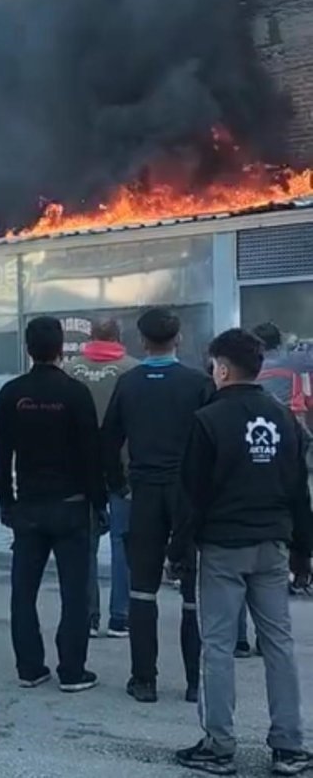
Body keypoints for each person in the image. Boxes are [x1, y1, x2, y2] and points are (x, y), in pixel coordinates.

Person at [171, 329, 313, 777]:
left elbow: (191, 495)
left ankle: (219, 744)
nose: (212, 372)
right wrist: (304, 553)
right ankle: (289, 747)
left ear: (225, 368)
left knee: (216, 646)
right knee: (279, 645)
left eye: (214, 365)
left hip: (223, 547)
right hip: (272, 545)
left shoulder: (207, 421)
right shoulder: (284, 419)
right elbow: (298, 491)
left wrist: (178, 551)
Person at [103, 307, 214, 704]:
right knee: (192, 592)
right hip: (187, 494)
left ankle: (144, 680)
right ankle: (195, 682)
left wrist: (118, 485)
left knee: (142, 590)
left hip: (145, 491)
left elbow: (108, 440)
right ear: (179, 339)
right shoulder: (199, 383)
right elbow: (213, 442)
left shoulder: (129, 383)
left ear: (142, 342)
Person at [0, 316, 103, 693]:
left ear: (27, 348)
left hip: (28, 507)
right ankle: (72, 670)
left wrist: (5, 501)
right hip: (72, 506)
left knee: (23, 591)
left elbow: (0, 455)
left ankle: (29, 667)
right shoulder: (75, 393)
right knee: (75, 592)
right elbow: (93, 455)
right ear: (60, 349)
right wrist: (99, 502)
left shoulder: (11, 394)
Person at [66, 318, 138, 638]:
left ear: (91, 337)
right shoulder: (133, 371)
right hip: (123, 469)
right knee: (124, 542)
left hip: (81, 470)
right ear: (119, 336)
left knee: (85, 544)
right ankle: (120, 616)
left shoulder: (71, 370)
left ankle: (88, 616)